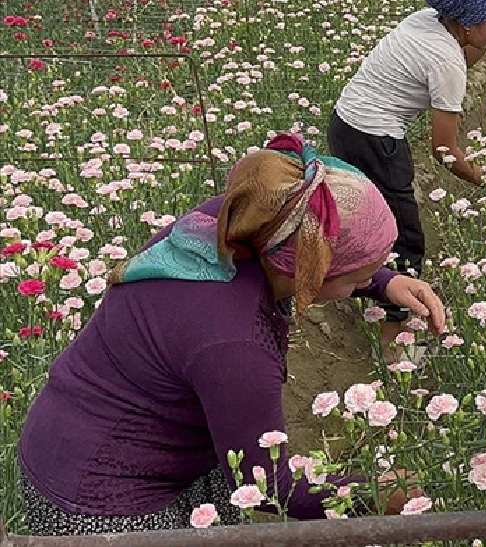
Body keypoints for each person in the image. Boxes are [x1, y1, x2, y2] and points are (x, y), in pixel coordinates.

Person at [17, 134, 445, 535]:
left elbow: (311, 246)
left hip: (82, 426)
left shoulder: (242, 220)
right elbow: (271, 486)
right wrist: (372, 491)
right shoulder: (235, 342)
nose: (361, 285)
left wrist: (384, 281)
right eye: (357, 278)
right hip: (97, 502)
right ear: (307, 269)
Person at [328, 0, 486, 327]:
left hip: (346, 122)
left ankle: (352, 282)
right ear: (465, 24)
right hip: (376, 138)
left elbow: (466, 53)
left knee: (360, 213)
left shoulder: (428, 19)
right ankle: (396, 324)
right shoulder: (445, 61)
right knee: (404, 233)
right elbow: (444, 152)